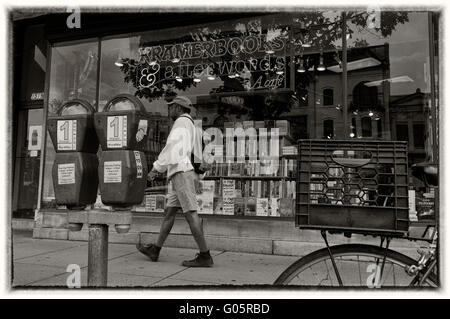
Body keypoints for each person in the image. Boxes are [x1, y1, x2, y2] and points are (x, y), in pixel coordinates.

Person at [136, 95, 213, 267]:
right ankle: (155, 249)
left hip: (181, 173)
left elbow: (172, 148)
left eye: (171, 107)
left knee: (191, 213)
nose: (169, 109)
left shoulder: (181, 122)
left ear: (178, 108)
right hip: (180, 173)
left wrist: (156, 168)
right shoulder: (190, 123)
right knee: (169, 213)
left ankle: (205, 255)